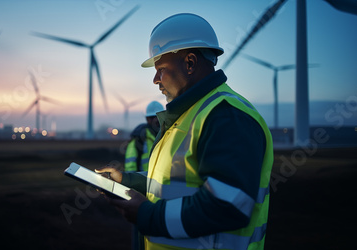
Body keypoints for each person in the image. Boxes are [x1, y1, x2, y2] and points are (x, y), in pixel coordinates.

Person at [97, 13, 273, 250]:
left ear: (190, 63)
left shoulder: (227, 117)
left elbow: (227, 206)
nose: (155, 79)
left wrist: (147, 215)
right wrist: (125, 180)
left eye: (160, 69)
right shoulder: (188, 116)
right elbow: (174, 185)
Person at [124, 101, 164, 172]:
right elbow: (130, 167)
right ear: (147, 119)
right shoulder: (138, 138)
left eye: (159, 117)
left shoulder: (169, 135)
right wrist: (133, 182)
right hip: (144, 181)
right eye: (153, 117)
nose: (157, 120)